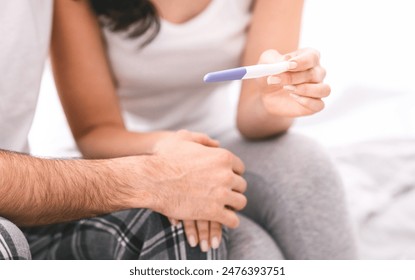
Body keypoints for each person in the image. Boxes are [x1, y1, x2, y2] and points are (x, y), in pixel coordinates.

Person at [50, 0, 357, 259]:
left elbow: (252, 121)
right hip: (127, 156)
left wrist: (270, 101)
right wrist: (175, 160)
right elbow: (95, 132)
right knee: (254, 250)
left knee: (306, 164)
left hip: (222, 139)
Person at [0, 0, 247, 260]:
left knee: (171, 221)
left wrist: (169, 175)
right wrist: (152, 177)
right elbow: (95, 129)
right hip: (16, 212)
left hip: (29, 208)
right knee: (5, 240)